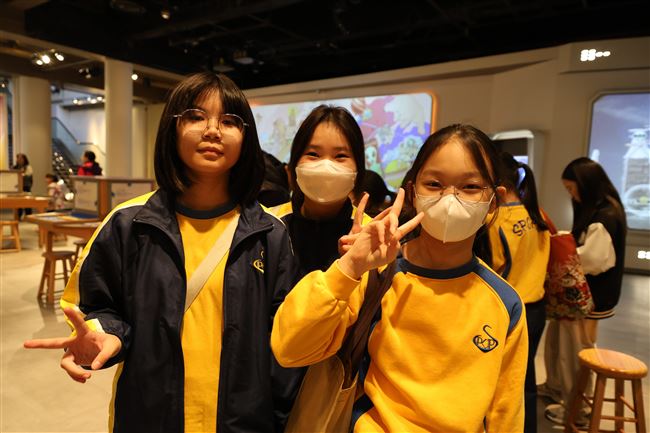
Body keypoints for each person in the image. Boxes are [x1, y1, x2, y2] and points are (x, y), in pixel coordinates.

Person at [24, 72, 302, 433]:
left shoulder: (269, 234)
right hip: (150, 418)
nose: (213, 130)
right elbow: (93, 305)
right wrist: (104, 333)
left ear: (246, 137)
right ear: (172, 128)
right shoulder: (128, 224)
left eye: (229, 121)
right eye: (196, 116)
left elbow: (287, 339)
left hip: (244, 423)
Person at [272, 124, 529, 432]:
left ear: (494, 200)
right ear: (412, 192)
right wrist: (349, 267)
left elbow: (507, 413)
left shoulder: (504, 302)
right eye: (434, 184)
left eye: (470, 187)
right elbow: (290, 349)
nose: (450, 198)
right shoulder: (378, 275)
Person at [542, 157, 627, 426]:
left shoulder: (603, 216)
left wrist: (561, 252)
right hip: (584, 295)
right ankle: (560, 391)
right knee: (563, 346)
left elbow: (594, 259)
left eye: (572, 188)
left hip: (588, 297)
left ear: (586, 184)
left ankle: (577, 409)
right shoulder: (604, 209)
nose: (571, 195)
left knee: (575, 352)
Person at [486, 153, 550, 433]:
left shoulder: (497, 220)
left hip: (512, 311)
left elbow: (493, 268)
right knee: (525, 378)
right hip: (538, 307)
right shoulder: (537, 214)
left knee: (506, 384)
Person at [269, 104, 369, 278]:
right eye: (313, 154)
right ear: (294, 163)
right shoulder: (270, 224)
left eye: (340, 156)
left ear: (358, 169)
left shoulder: (369, 233)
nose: (326, 167)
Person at [12, 153, 33, 218]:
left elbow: (28, 175)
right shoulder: (15, 167)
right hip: (17, 188)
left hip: (26, 187)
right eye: (18, 158)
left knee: (27, 203)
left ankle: (29, 216)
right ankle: (18, 216)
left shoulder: (28, 167)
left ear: (24, 159)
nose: (19, 160)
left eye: (21, 158)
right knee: (18, 203)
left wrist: (21, 174)